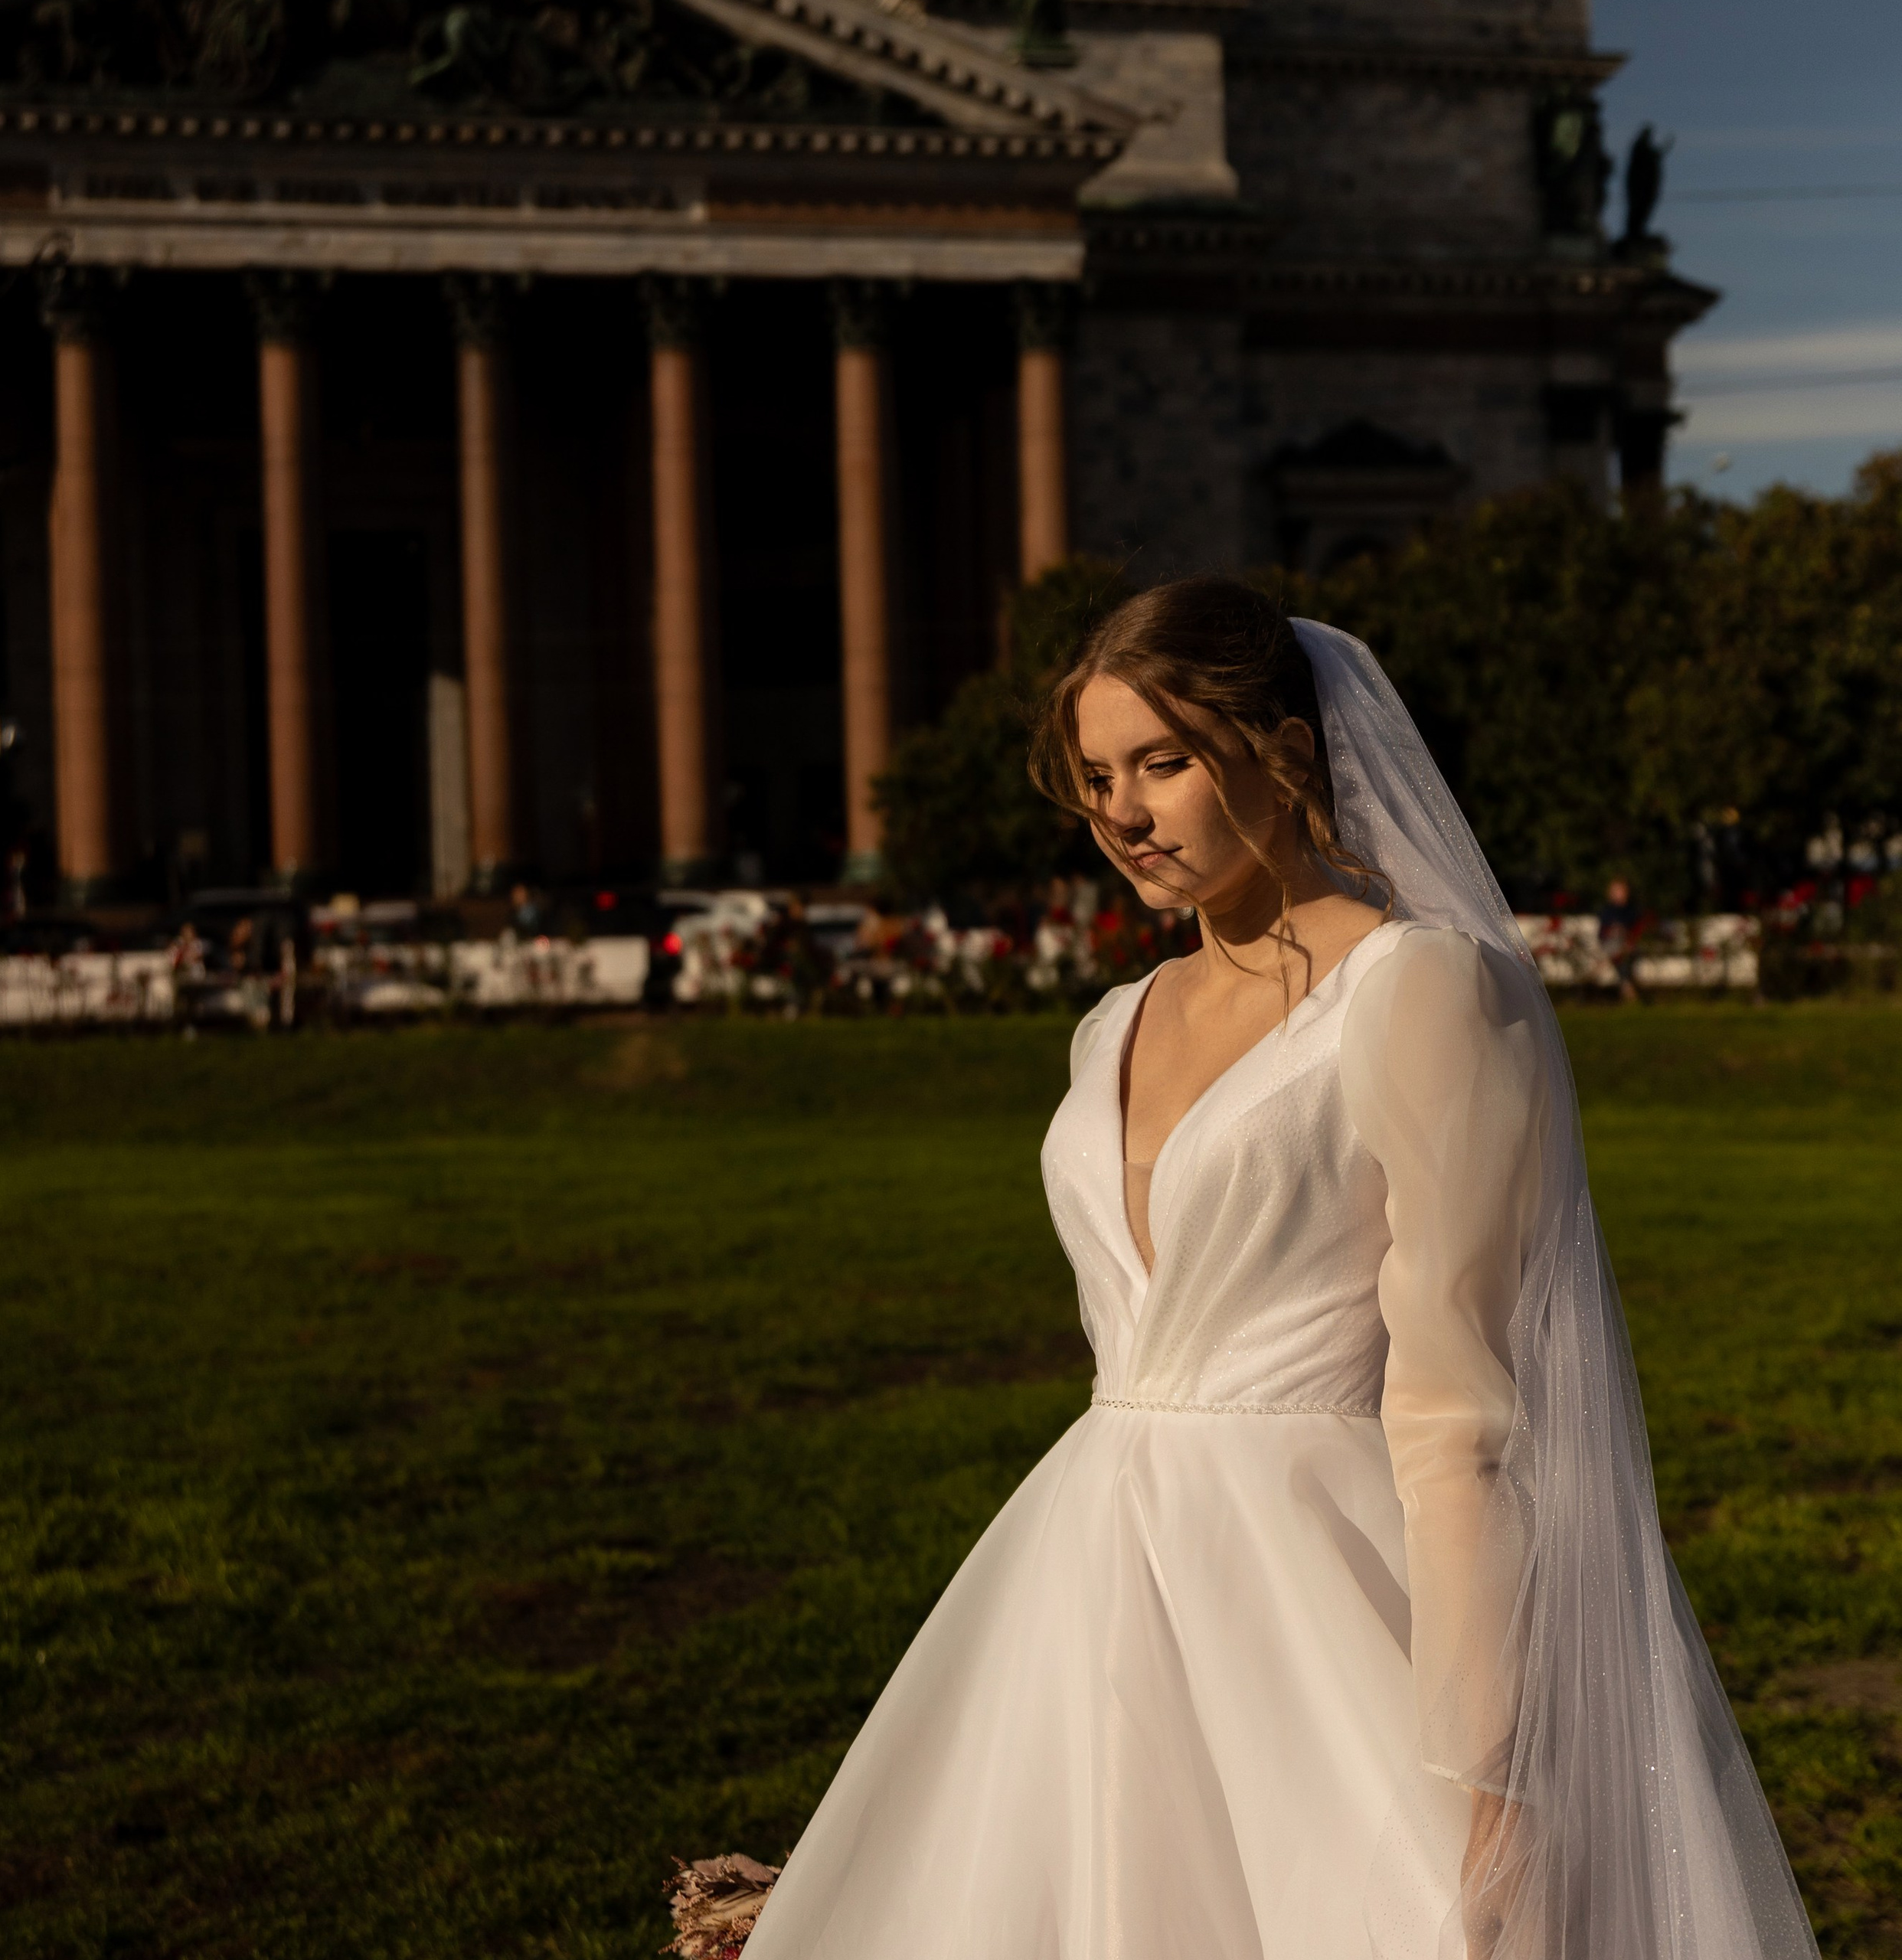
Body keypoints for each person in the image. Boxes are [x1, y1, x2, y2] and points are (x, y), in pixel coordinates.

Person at [740, 580, 1815, 1960]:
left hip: (1316, 1597)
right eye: (1094, 778)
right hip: (1084, 1582)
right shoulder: (1111, 1023)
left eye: (1164, 764)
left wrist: (1498, 1782)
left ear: (1288, 755)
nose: (1120, 815)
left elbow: (1462, 1409)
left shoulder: (1421, 988)